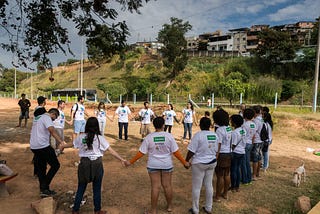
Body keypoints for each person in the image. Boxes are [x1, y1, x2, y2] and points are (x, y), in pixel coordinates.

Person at [125, 117, 189, 214]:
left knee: (155, 187)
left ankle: (153, 210)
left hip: (153, 165)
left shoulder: (149, 137)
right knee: (167, 186)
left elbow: (141, 153)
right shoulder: (169, 136)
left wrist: (130, 162)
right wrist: (184, 163)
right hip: (167, 165)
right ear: (163, 125)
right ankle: (170, 206)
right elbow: (176, 152)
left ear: (154, 125)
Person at [72, 117, 126, 214]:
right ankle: (97, 210)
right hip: (97, 164)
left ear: (87, 126)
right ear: (97, 126)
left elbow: (72, 144)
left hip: (84, 164)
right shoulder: (100, 138)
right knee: (97, 188)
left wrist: (62, 145)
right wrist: (121, 159)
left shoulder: (81, 137)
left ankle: (75, 209)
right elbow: (110, 150)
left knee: (81, 187)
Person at [30, 108, 66, 197]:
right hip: (42, 146)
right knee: (55, 165)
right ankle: (44, 185)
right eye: (55, 118)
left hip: (34, 146)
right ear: (53, 114)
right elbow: (52, 130)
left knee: (41, 168)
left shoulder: (37, 118)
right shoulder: (47, 117)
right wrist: (61, 142)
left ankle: (43, 190)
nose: (53, 120)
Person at [185, 117, 218, 214]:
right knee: (209, 185)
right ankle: (208, 207)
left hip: (199, 164)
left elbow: (191, 151)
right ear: (210, 125)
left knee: (197, 187)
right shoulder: (215, 135)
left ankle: (195, 210)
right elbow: (216, 149)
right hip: (212, 162)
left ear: (200, 125)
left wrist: (186, 161)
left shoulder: (198, 135)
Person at [212, 108, 232, 202]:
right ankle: (225, 194)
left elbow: (218, 144)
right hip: (229, 153)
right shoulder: (229, 128)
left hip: (222, 154)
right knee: (227, 174)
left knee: (220, 176)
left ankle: (217, 196)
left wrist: (216, 156)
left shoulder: (219, 130)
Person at [230, 114, 246, 192]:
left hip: (236, 152)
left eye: (231, 121)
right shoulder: (243, 130)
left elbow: (233, 145)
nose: (230, 122)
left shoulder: (234, 132)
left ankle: (233, 186)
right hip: (242, 152)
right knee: (238, 169)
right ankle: (237, 187)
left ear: (235, 123)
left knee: (233, 169)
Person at [241, 108, 257, 185]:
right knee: (247, 162)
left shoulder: (244, 125)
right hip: (250, 143)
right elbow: (254, 136)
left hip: (245, 144)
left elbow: (242, 136)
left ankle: (245, 179)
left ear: (245, 115)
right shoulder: (254, 124)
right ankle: (249, 178)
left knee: (244, 162)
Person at [252, 105, 264, 181]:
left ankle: (254, 175)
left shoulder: (256, 120)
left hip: (256, 140)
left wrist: (252, 141)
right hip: (261, 140)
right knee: (259, 157)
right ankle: (258, 173)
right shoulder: (261, 119)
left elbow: (254, 131)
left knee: (255, 159)